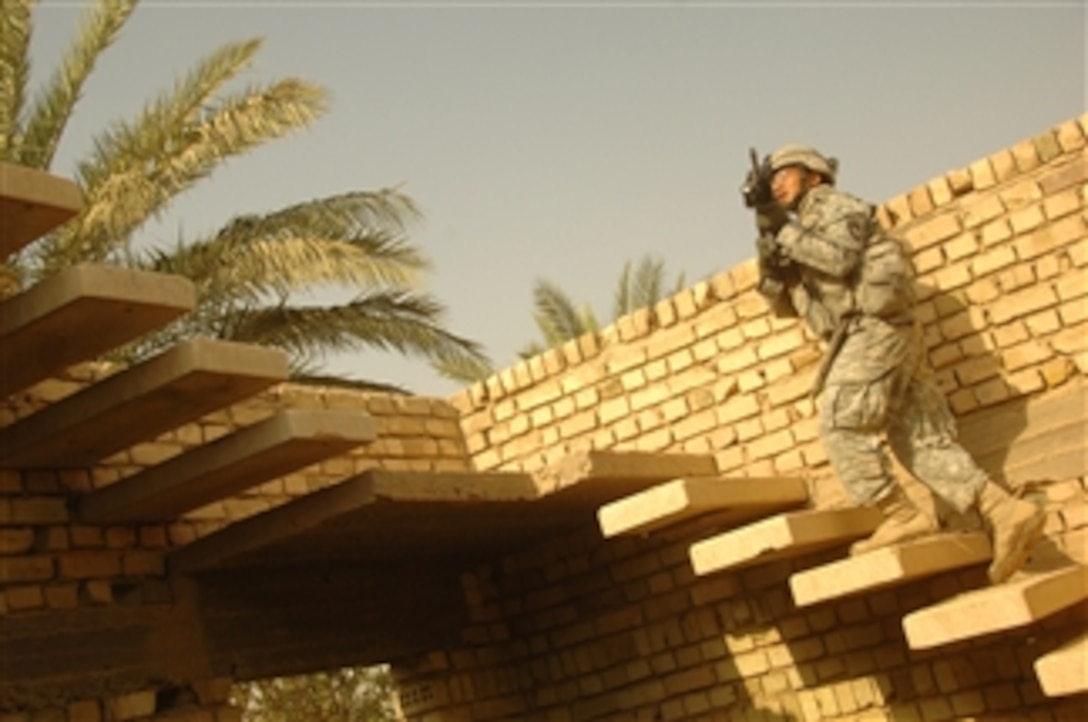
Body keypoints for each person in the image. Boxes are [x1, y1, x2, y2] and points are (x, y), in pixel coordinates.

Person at [751, 143, 1045, 585]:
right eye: (770, 179)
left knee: (841, 424)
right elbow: (783, 304)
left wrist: (783, 230)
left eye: (783, 174)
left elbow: (841, 258)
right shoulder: (801, 230)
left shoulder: (833, 206)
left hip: (875, 331)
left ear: (813, 176)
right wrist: (771, 253)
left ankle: (900, 514)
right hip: (874, 337)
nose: (775, 184)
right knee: (918, 443)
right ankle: (1006, 511)